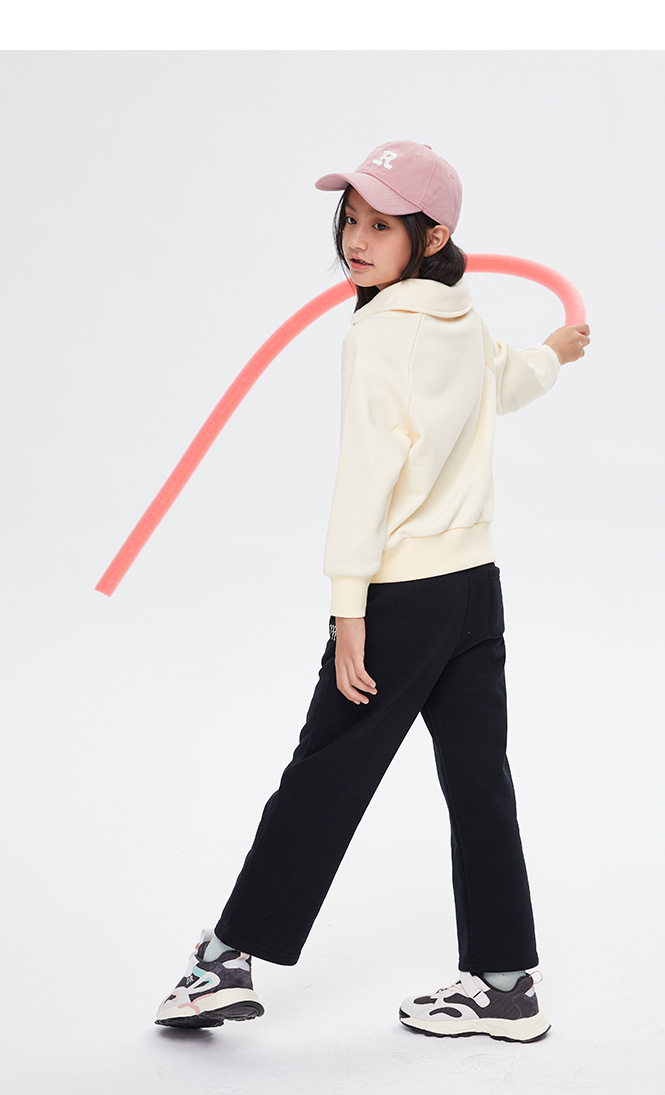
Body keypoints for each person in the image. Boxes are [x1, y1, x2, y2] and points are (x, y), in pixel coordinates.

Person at [155, 140, 590, 1042]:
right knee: (479, 781)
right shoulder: (460, 317)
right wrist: (554, 353)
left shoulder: (380, 332)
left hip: (402, 599)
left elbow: (366, 476)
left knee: (326, 772)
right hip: (474, 592)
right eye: (351, 220)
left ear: (430, 237)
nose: (356, 240)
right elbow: (501, 382)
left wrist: (348, 609)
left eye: (381, 225)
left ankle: (223, 963)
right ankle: (505, 983)